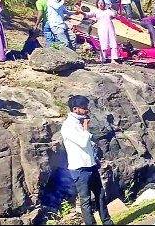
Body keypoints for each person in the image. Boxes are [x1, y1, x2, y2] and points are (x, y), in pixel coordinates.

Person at [60, 95, 114, 225]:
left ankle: (107, 222)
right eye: (84, 107)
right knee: (86, 200)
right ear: (75, 109)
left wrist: (95, 158)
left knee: (100, 195)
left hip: (91, 165)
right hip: (79, 168)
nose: (86, 110)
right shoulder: (68, 126)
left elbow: (88, 146)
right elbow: (83, 142)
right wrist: (85, 128)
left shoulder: (79, 122)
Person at [83, 0, 119, 64]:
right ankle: (102, 59)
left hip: (110, 28)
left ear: (104, 4)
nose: (101, 4)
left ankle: (113, 59)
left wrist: (114, 8)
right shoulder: (96, 11)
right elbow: (88, 15)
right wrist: (81, 12)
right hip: (102, 28)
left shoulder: (108, 11)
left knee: (113, 42)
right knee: (103, 43)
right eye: (99, 3)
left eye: (102, 3)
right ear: (97, 4)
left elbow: (115, 15)